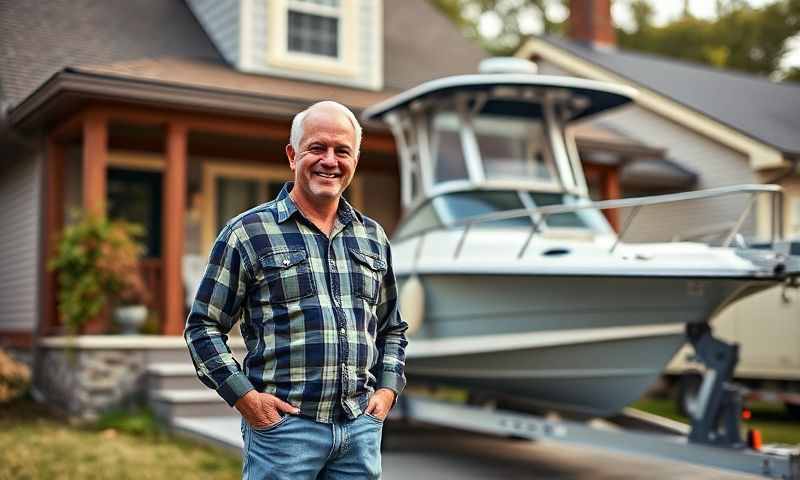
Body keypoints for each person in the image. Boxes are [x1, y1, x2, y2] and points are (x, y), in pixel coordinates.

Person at [184, 100, 408, 480]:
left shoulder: (373, 237)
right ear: (292, 155)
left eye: (342, 151)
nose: (330, 161)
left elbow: (391, 329)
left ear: (355, 160)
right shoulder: (247, 233)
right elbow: (203, 327)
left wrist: (386, 391)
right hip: (284, 433)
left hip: (360, 430)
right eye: (317, 148)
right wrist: (246, 398)